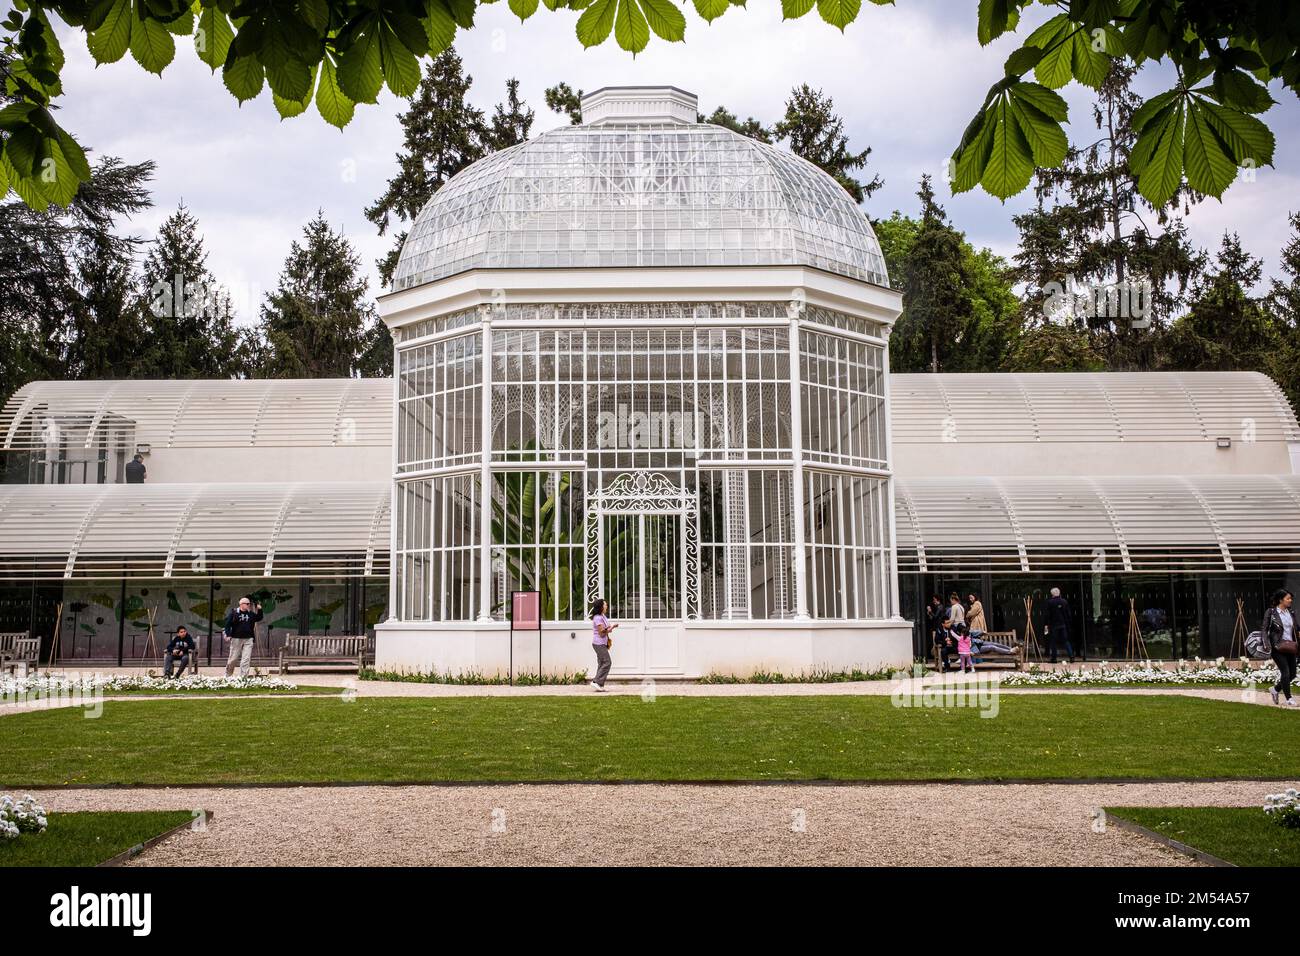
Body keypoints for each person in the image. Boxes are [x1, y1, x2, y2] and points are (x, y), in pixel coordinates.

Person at [1263, 588, 1297, 707]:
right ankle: (1289, 699)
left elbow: (1296, 628)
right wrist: (1267, 644)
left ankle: (1275, 690)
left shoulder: (1291, 612)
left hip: (1291, 646)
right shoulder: (1271, 612)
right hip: (1277, 646)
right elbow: (1264, 629)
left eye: (1290, 598)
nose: (1290, 600)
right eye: (1288, 598)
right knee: (1285, 672)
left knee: (1293, 673)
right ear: (1280, 600)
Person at [223, 596, 263, 679]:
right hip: (236, 638)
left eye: (249, 604)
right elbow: (227, 625)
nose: (249, 605)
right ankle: (228, 676)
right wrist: (228, 635)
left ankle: (243, 678)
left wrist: (260, 610)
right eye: (247, 604)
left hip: (248, 638)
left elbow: (259, 618)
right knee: (233, 659)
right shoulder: (234, 613)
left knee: (246, 659)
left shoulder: (250, 614)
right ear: (241, 604)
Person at [590, 597, 617, 692]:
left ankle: (599, 684)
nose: (606, 606)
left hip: (602, 643)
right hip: (598, 643)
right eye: (605, 604)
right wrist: (611, 627)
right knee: (607, 662)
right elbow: (601, 633)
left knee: (601, 663)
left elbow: (605, 629)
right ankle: (596, 681)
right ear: (601, 607)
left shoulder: (602, 616)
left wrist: (610, 627)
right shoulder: (597, 618)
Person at [1045, 587, 1075, 663]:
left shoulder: (1050, 602)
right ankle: (1071, 656)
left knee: (1053, 641)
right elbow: (1068, 615)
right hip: (1063, 625)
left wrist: (1047, 624)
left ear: (1052, 594)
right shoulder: (1064, 602)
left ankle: (1054, 658)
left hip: (1054, 625)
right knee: (1066, 640)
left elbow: (1048, 615)